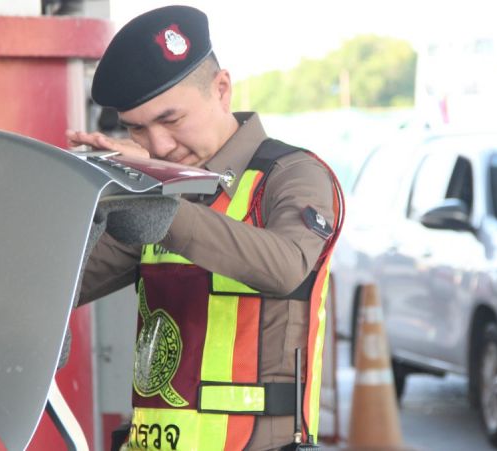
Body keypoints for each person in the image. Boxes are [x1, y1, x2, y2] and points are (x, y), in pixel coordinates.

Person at [67, 6, 343, 451]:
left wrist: (161, 206)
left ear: (221, 89)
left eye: (171, 120)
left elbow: (287, 266)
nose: (158, 145)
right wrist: (91, 206)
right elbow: (65, 284)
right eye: (137, 129)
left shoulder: (291, 175)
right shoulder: (154, 187)